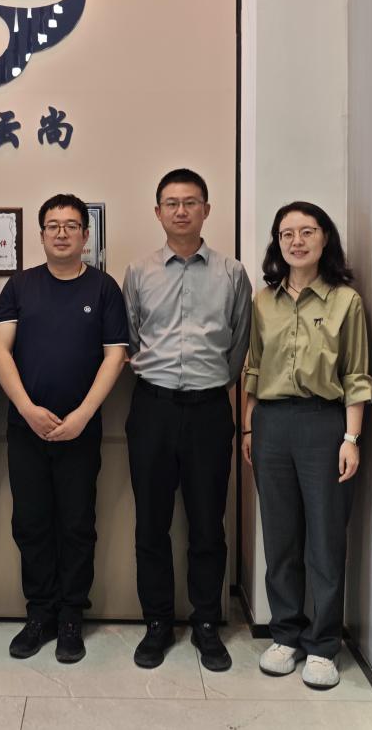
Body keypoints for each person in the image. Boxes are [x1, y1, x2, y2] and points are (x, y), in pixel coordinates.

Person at [121, 168, 252, 672]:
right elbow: (130, 337)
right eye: (171, 203)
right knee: (151, 523)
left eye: (190, 202)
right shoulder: (138, 272)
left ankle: (205, 623)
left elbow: (239, 344)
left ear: (206, 210)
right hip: (151, 408)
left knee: (207, 523)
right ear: (157, 212)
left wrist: (212, 382)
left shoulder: (232, 273)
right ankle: (157, 622)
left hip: (209, 411)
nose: (181, 211)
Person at [241, 201, 372, 690]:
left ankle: (323, 645)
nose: (296, 241)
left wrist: (351, 438)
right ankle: (286, 635)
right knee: (280, 538)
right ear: (277, 243)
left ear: (325, 238)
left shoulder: (346, 301)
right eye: (286, 234)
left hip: (324, 425)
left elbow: (356, 374)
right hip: (271, 425)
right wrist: (248, 429)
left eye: (307, 231)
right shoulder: (263, 301)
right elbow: (253, 368)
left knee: (325, 538)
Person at [0, 193, 128, 664]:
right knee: (30, 524)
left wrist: (84, 414)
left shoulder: (104, 288)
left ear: (86, 235)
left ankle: (71, 616)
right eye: (53, 225)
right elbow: (0, 351)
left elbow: (115, 355)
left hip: (81, 429)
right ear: (42, 234)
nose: (62, 233)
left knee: (76, 525)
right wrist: (27, 408)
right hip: (25, 427)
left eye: (72, 225)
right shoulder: (19, 286)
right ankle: (40, 614)